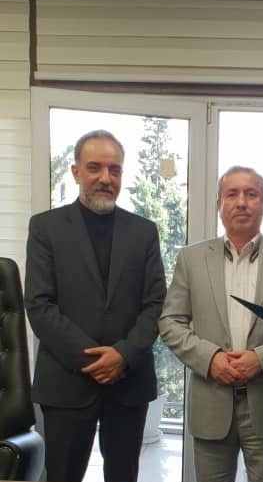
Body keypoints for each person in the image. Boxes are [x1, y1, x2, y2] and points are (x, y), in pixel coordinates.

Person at [159, 165, 263, 482]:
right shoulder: (191, 259)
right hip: (211, 402)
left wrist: (262, 358)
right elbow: (170, 322)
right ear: (219, 204)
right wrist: (211, 359)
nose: (242, 202)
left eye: (251, 194)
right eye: (232, 194)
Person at [25, 130, 166, 482]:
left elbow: (156, 305)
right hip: (66, 382)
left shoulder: (144, 232)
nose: (106, 178)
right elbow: (39, 304)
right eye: (95, 167)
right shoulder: (45, 227)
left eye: (114, 169)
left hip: (129, 381)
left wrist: (122, 355)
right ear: (76, 172)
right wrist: (94, 360)